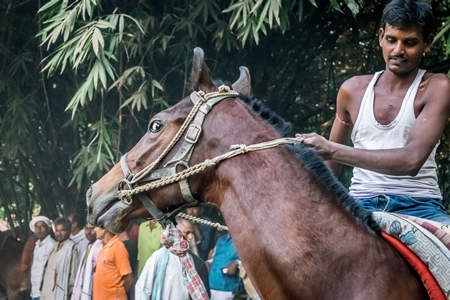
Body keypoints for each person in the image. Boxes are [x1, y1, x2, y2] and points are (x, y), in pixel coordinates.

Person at [296, 0, 450, 225]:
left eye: (410, 42)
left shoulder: (438, 86)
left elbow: (411, 161)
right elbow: (328, 171)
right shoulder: (352, 90)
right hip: (359, 204)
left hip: (420, 207)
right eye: (391, 40)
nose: (398, 50)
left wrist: (331, 150)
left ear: (427, 44)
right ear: (380, 37)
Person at [135, 218, 210, 300]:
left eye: (192, 233)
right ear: (176, 233)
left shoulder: (196, 262)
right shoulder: (158, 256)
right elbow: (142, 289)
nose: (191, 237)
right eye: (187, 233)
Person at [41, 217, 79, 300]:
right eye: (57, 230)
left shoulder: (72, 249)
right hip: (46, 292)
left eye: (62, 230)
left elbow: (73, 275)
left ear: (69, 231)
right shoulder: (54, 247)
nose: (59, 233)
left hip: (60, 293)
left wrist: (65, 291)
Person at [92, 226, 134, 300]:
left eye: (97, 226)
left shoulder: (118, 247)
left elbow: (129, 278)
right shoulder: (103, 246)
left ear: (105, 229)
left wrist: (119, 295)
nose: (94, 229)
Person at [207, 232, 243, 300]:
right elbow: (215, 257)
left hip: (226, 287)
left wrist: (236, 263)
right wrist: (208, 263)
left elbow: (253, 261)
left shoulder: (245, 240)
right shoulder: (221, 239)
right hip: (210, 282)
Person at [71, 223, 102, 300]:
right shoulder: (89, 246)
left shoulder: (100, 247)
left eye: (92, 229)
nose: (89, 232)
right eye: (87, 229)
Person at [29, 216, 55, 300]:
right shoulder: (37, 245)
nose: (39, 230)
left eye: (42, 226)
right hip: (35, 290)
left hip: (45, 291)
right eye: (37, 227)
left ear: (48, 228)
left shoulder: (51, 244)